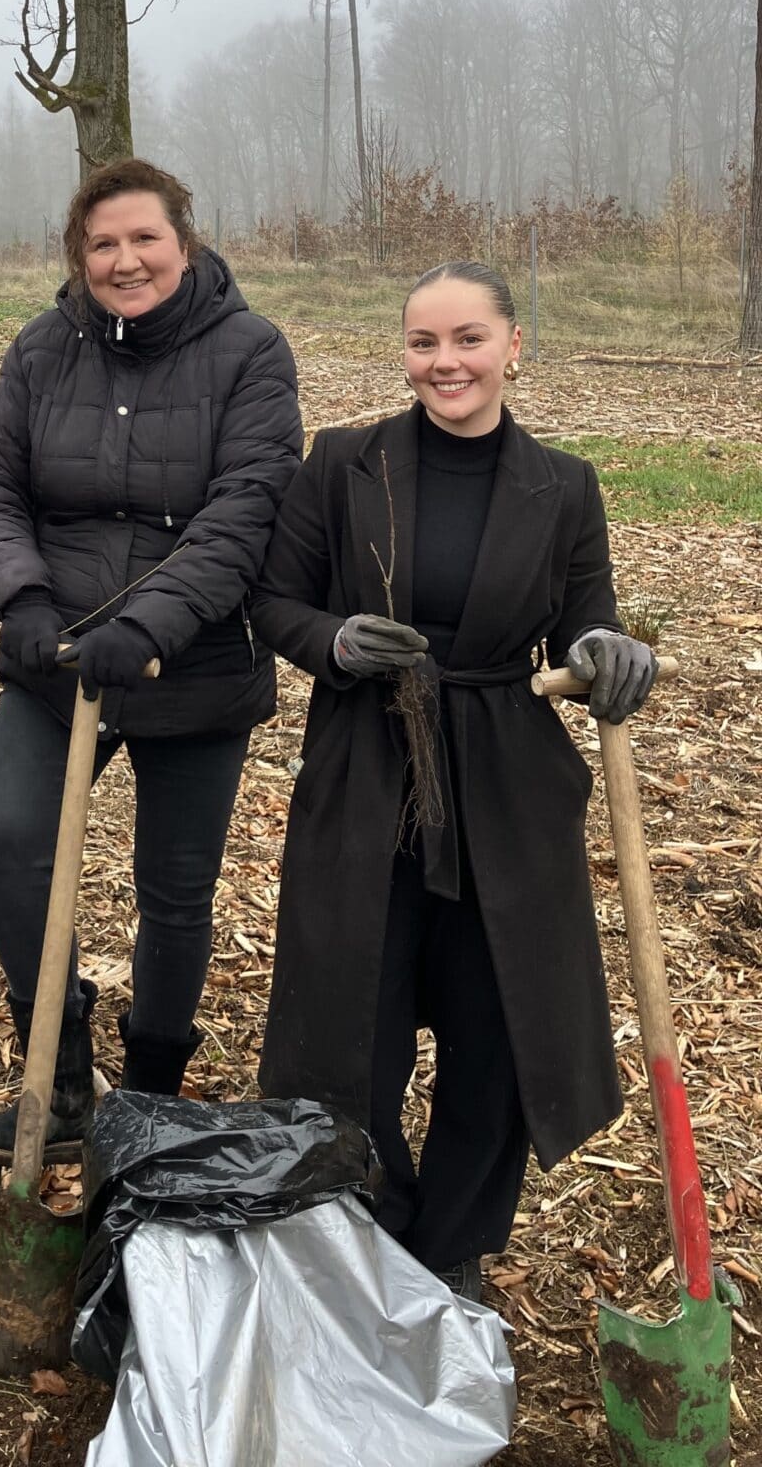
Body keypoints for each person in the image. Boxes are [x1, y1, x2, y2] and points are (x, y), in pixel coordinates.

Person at [251, 260, 657, 1300]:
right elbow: (274, 601)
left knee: (498, 1029)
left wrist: (613, 652)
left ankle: (453, 1249)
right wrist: (335, 641)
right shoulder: (344, 462)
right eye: (425, 343)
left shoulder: (562, 486)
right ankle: (373, 1225)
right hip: (365, 769)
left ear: (515, 346)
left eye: (469, 339)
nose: (447, 363)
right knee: (351, 1021)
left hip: (503, 781)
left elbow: (586, 622)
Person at [0, 158, 302, 1164]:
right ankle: (56, 1082)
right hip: (58, 659)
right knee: (9, 830)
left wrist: (149, 623)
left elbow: (248, 509)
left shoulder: (251, 354)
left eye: (144, 237)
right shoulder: (42, 350)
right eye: (101, 243)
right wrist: (18, 596)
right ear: (79, 257)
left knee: (175, 888)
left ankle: (149, 1099)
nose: (124, 259)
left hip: (191, 667)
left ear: (182, 244)